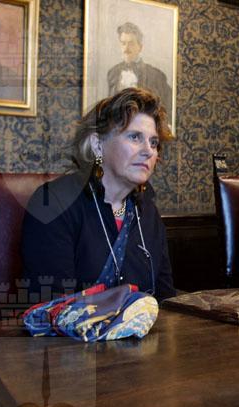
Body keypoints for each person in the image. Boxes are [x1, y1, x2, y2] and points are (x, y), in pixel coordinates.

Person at [21, 88, 176, 302]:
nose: (149, 151)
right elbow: (52, 308)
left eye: (154, 142)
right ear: (97, 145)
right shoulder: (53, 202)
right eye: (134, 137)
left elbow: (166, 299)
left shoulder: (148, 210)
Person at [107, 22, 172, 119]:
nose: (126, 48)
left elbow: (168, 111)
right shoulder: (113, 73)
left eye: (131, 43)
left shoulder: (156, 76)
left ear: (140, 47)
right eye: (123, 43)